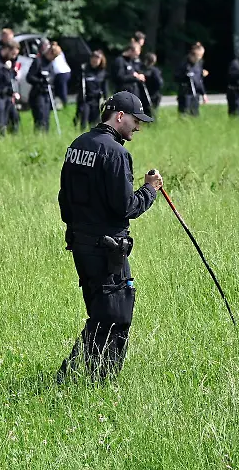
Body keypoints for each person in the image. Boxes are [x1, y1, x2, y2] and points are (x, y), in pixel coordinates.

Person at [57, 91, 161, 382]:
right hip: (108, 250)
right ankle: (97, 380)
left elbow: (64, 198)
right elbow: (127, 206)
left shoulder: (78, 145)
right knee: (117, 316)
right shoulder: (116, 153)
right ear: (119, 116)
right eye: (135, 120)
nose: (138, 127)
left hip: (81, 245)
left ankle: (78, 376)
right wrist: (150, 189)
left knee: (100, 314)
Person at [0, 41, 21, 135]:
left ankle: (13, 140)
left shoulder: (9, 61)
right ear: (6, 50)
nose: (14, 57)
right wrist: (4, 69)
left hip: (8, 95)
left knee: (15, 119)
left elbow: (9, 79)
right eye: (13, 54)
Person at [76, 51, 107, 130]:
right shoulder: (85, 70)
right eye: (93, 59)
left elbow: (104, 88)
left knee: (95, 122)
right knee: (84, 120)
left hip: (97, 100)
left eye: (97, 60)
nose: (95, 62)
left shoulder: (102, 72)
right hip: (85, 99)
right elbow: (78, 84)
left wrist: (106, 100)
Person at [27, 42, 54, 132]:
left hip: (47, 94)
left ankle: (45, 137)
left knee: (46, 118)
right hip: (37, 94)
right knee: (40, 118)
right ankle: (38, 135)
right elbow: (29, 77)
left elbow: (52, 76)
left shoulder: (50, 63)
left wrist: (49, 79)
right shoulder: (38, 61)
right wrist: (40, 80)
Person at [175, 43, 206, 117]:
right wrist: (185, 76)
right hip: (185, 93)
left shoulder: (198, 64)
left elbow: (199, 80)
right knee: (184, 114)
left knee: (195, 114)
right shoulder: (184, 64)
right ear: (192, 55)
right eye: (198, 57)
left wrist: (203, 93)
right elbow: (176, 77)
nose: (199, 59)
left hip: (195, 94)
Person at [50, 42, 72, 108]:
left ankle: (64, 103)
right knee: (61, 88)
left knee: (62, 89)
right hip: (66, 72)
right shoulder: (61, 53)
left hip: (61, 72)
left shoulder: (54, 54)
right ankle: (62, 102)